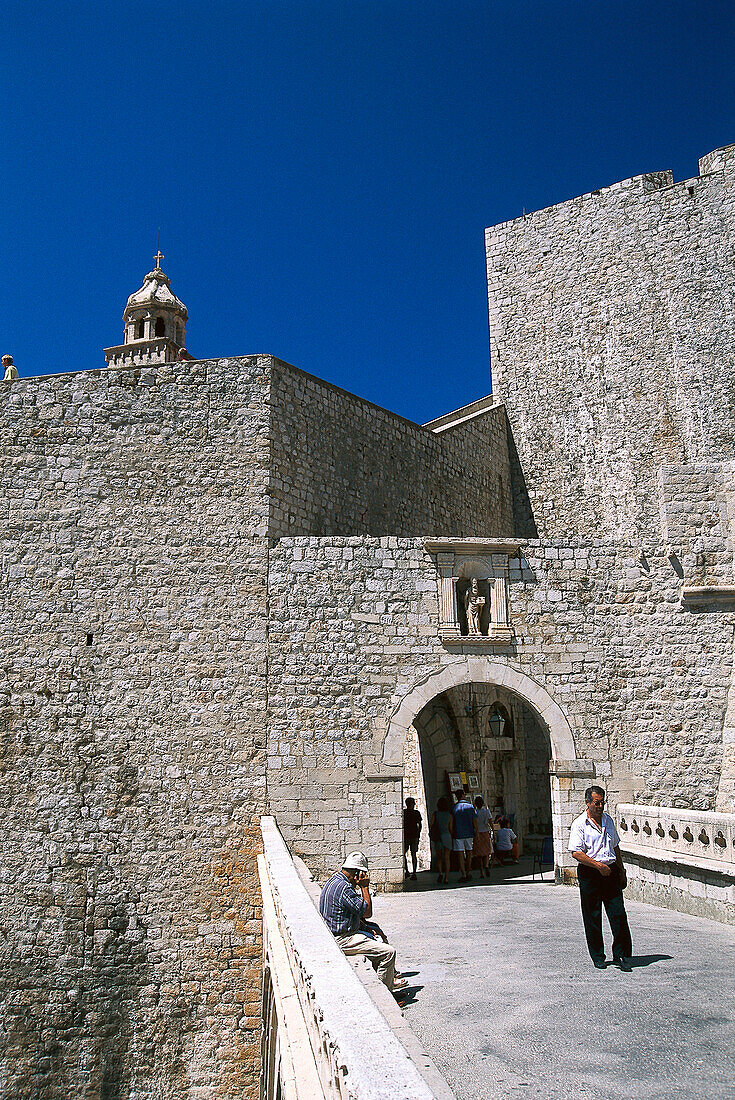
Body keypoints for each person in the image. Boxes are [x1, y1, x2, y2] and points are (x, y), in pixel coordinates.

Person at [319, 851, 406, 991]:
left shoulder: (334, 880)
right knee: (388, 952)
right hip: (343, 938)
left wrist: (366, 927)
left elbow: (351, 913)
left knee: (374, 929)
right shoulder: (345, 888)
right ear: (357, 874)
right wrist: (364, 887)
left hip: (336, 932)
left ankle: (390, 978)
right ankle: (385, 994)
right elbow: (367, 912)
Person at [569, 785, 633, 971]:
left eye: (602, 802)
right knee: (592, 915)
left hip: (610, 870)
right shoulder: (579, 824)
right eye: (596, 803)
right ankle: (598, 956)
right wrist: (598, 866)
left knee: (618, 913)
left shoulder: (608, 821)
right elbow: (576, 853)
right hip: (591, 872)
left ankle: (621, 954)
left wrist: (621, 870)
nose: (600, 806)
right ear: (588, 803)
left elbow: (615, 847)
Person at [452, 789, 477, 881]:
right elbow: (474, 821)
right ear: (463, 795)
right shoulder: (470, 807)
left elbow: (452, 821)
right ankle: (468, 871)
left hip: (458, 833)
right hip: (469, 832)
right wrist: (476, 832)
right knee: (469, 852)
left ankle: (463, 873)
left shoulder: (454, 807)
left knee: (460, 854)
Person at [430, 796, 453, 884]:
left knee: (439, 857)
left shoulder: (435, 814)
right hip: (447, 836)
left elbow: (431, 825)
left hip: (439, 836)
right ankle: (446, 877)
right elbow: (451, 828)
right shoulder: (449, 815)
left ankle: (440, 873)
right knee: (447, 858)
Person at [472, 796, 493, 877]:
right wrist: (493, 831)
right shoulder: (487, 811)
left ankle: (481, 871)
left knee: (479, 854)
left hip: (477, 833)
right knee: (486, 852)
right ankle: (486, 866)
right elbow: (490, 822)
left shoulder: (474, 812)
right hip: (485, 832)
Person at [403, 796, 422, 880]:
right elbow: (419, 825)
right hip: (414, 835)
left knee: (403, 854)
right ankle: (414, 873)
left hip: (406, 835)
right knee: (413, 854)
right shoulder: (416, 813)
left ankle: (407, 871)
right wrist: (418, 833)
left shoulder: (404, 813)